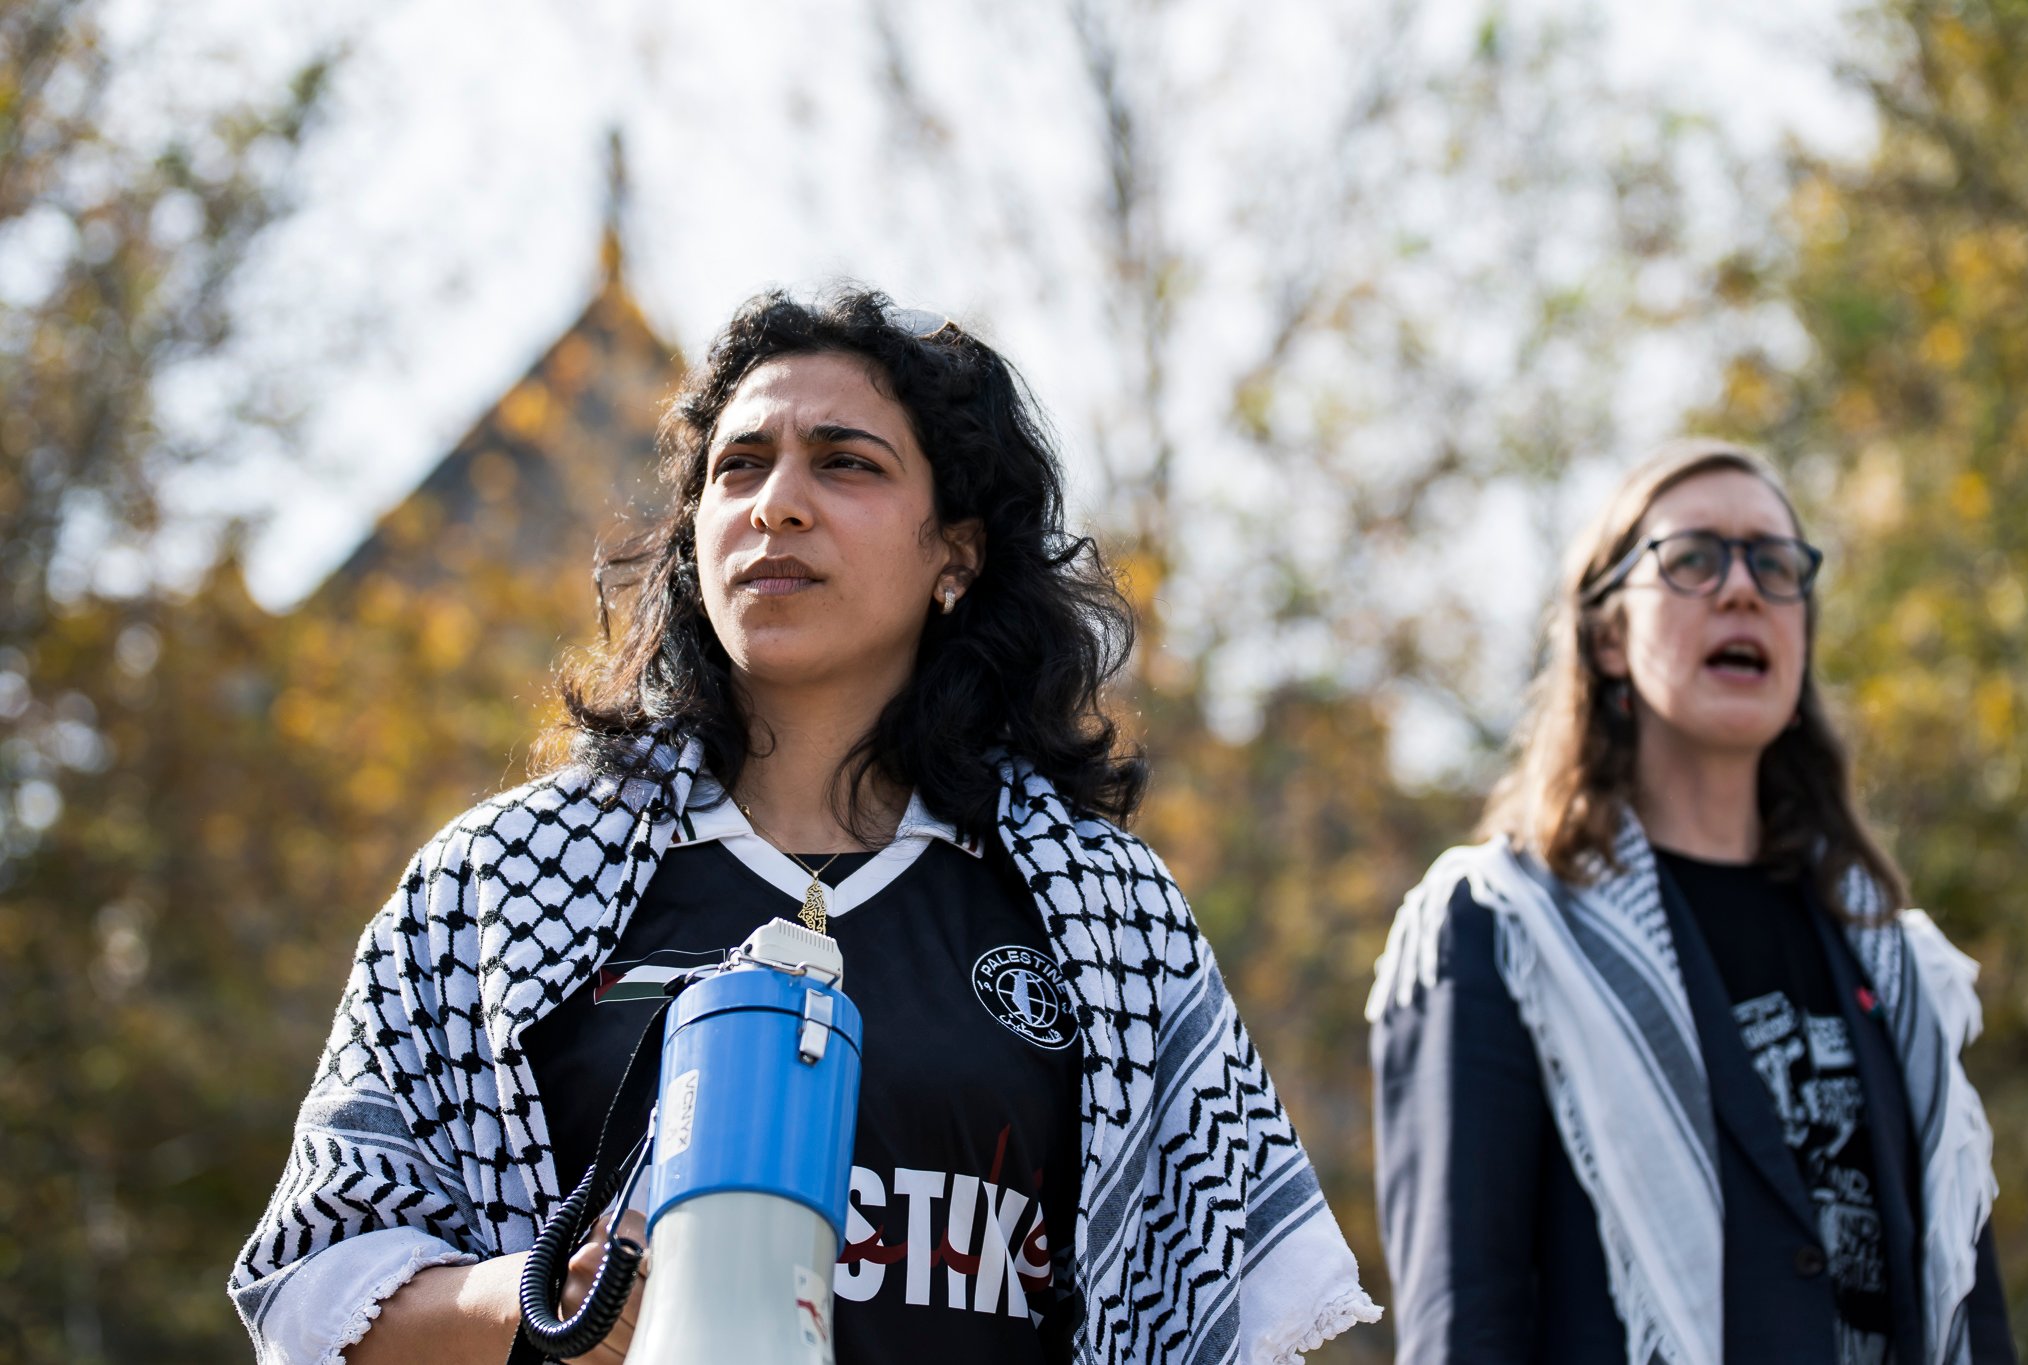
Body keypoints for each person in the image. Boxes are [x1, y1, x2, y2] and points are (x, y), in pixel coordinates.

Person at [231, 288, 1376, 1365]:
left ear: (956, 552)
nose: (774, 503)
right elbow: (309, 1287)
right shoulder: (493, 885)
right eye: (738, 467)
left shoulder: (1103, 912)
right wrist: (537, 1305)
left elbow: (1218, 1314)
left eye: (845, 463)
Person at [1366, 439, 2015, 1365]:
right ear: (1607, 637)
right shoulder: (1501, 931)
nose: (1743, 588)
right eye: (1695, 558)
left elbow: (1972, 1319)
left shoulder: (1896, 959)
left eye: (1775, 564)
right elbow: (1466, 1324)